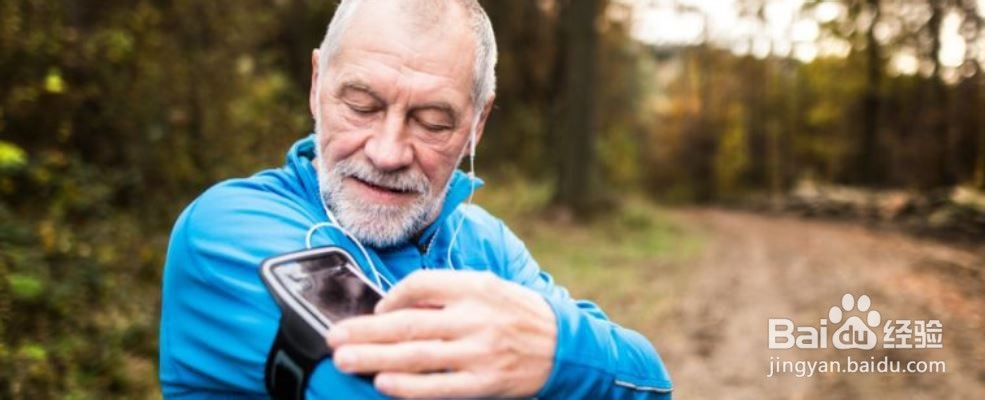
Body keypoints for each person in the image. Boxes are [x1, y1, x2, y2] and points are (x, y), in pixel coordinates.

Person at [158, 0, 672, 398]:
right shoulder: (229, 227)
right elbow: (388, 386)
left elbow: (649, 380)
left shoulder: (487, 244)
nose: (386, 153)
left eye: (432, 122)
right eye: (361, 106)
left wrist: (556, 349)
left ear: (477, 124)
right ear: (318, 84)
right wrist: (559, 369)